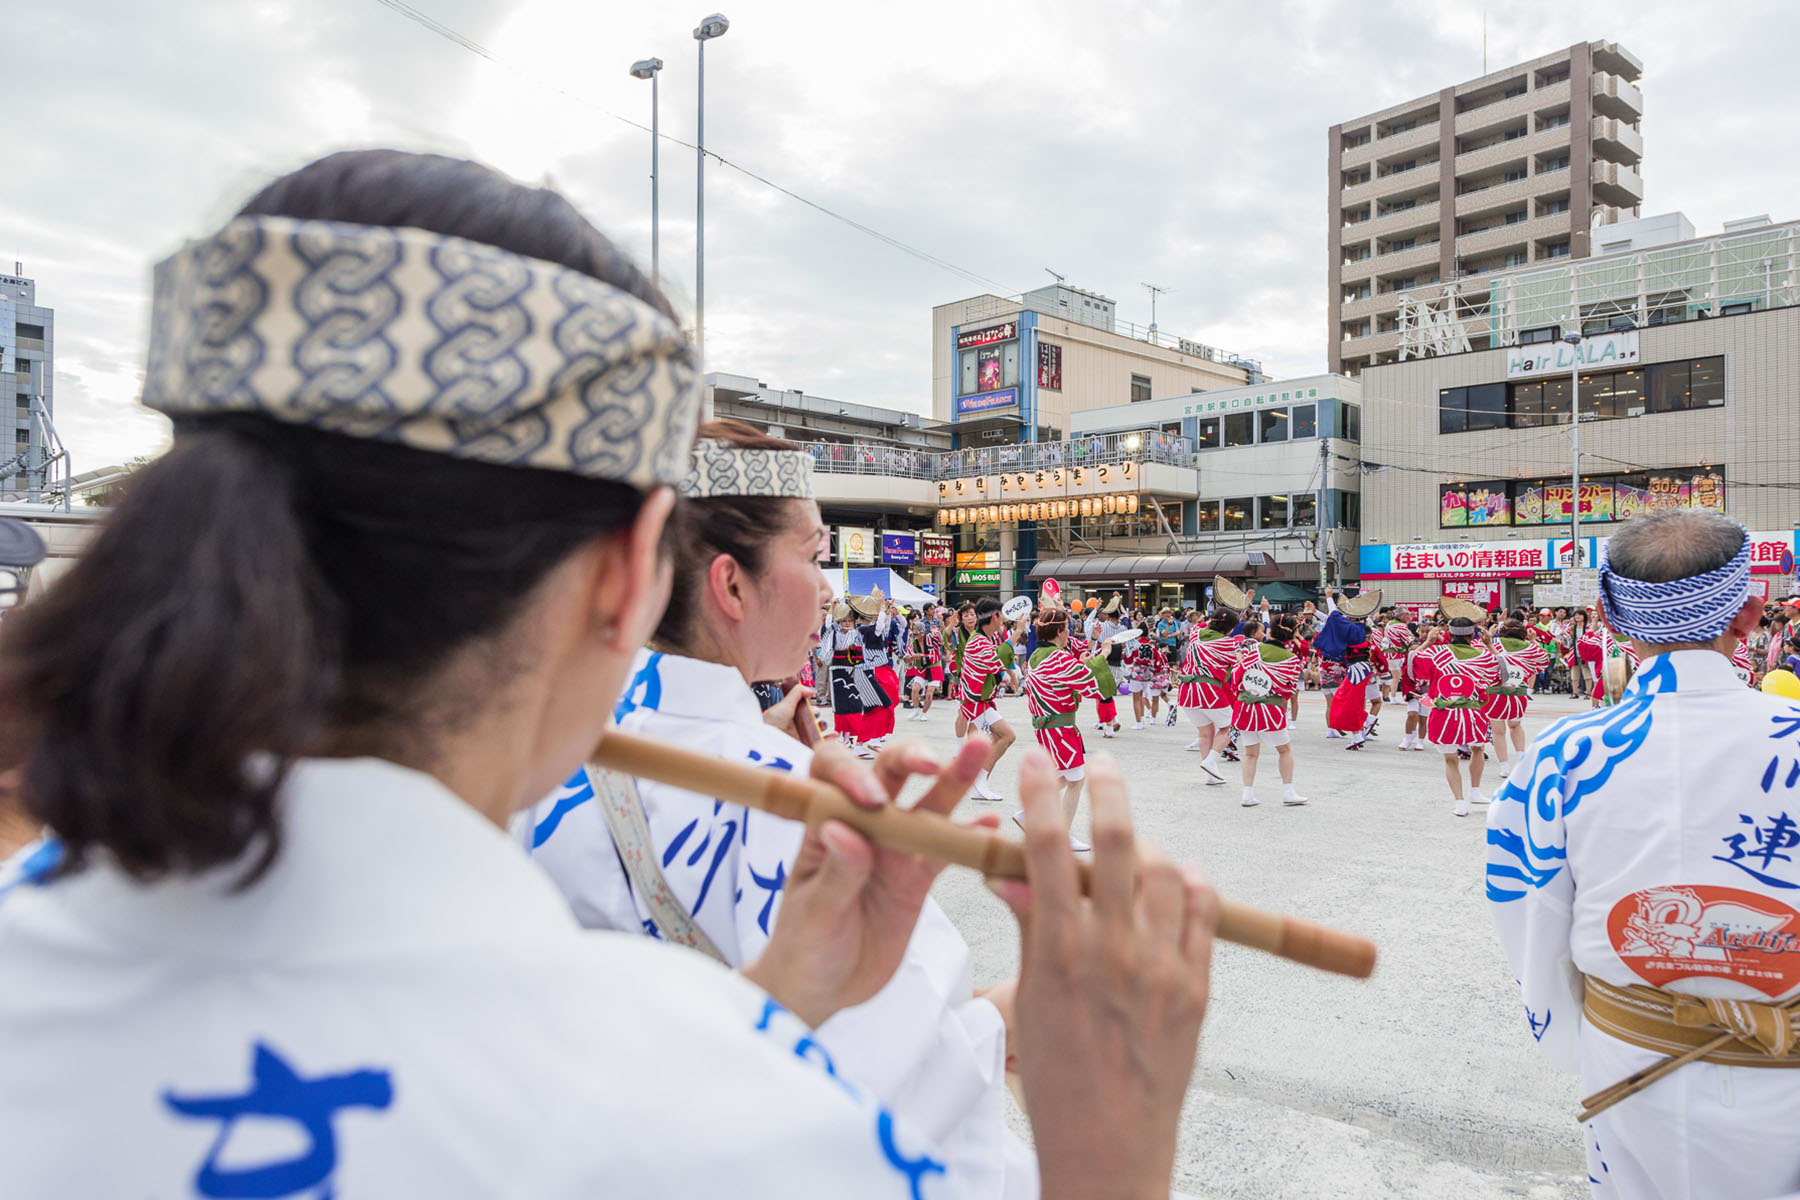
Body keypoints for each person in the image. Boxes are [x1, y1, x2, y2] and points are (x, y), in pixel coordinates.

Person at [0, 150, 1221, 1199]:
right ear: (626, 570)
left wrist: (784, 994)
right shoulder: (700, 1113)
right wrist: (1109, 1143)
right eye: (809, 551)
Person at [525, 423, 1029, 1194]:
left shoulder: (537, 752)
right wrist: (1006, 1016)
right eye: (816, 554)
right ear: (731, 585)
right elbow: (890, 1093)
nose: (828, 590)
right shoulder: (786, 800)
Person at [1488, 512, 1800, 1200]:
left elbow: (1526, 908)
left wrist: (1567, 1033)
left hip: (1631, 1055)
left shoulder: (1562, 757)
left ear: (1610, 616)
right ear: (1750, 612)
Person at [1018, 610, 1102, 853]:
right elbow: (1092, 685)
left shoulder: (1038, 655)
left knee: (1066, 775)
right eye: (1067, 627)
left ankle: (1028, 812)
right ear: (1058, 631)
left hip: (1047, 725)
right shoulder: (1058, 657)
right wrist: (1102, 655)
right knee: (1076, 779)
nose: (1069, 631)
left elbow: (1069, 671)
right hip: (1060, 726)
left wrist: (1090, 652)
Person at [1419, 609, 1500, 817]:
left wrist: (1428, 641)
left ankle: (1460, 802)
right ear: (1473, 635)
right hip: (1473, 713)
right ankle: (1475, 791)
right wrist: (1490, 645)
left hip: (1443, 713)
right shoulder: (1484, 656)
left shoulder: (1438, 653)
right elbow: (1503, 673)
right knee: (1478, 749)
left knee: (1450, 759)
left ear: (1450, 633)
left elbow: (1414, 667)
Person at [1229, 616, 1307, 808]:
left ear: (1269, 631)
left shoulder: (1253, 650)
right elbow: (1288, 691)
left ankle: (1247, 793)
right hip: (1271, 710)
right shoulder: (1292, 660)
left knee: (1250, 753)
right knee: (1284, 749)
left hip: (1246, 707)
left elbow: (1237, 676)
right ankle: (1288, 791)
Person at [957, 597, 1019, 801]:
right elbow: (997, 662)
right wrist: (1017, 633)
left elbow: (995, 665)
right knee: (1007, 736)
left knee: (1000, 737)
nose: (1003, 621)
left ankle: (978, 781)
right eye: (1001, 616)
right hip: (975, 701)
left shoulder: (984, 638)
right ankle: (978, 781)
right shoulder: (978, 641)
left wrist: (1010, 676)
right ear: (995, 616)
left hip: (979, 699)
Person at [1175, 608, 1245, 785]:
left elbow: (1200, 625)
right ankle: (1211, 761)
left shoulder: (1196, 634)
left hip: (1186, 691)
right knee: (1232, 726)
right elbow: (1238, 663)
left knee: (1206, 733)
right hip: (1208, 690)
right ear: (1229, 629)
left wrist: (1215, 619)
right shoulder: (1228, 644)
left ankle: (1211, 776)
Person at [1481, 619, 1552, 778]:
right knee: (1515, 725)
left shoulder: (1494, 643)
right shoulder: (1530, 648)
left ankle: (1504, 766)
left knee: (1499, 731)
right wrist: (1533, 641)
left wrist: (1490, 635)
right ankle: (1521, 759)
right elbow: (1543, 661)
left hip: (1495, 690)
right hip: (1519, 690)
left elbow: (1480, 654)